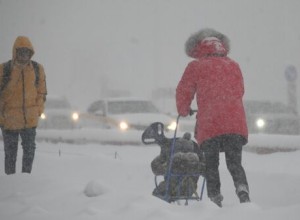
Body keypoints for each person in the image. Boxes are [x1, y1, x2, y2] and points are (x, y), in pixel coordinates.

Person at [176, 28, 250, 207]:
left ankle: (214, 199)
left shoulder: (196, 66)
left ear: (198, 48)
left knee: (211, 164)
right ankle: (242, 190)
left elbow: (184, 91)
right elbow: (240, 91)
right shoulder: (233, 65)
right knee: (234, 163)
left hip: (211, 124)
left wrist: (184, 110)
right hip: (235, 123)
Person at [0, 36, 47, 175]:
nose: (24, 55)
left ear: (30, 53)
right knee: (10, 155)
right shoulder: (4, 70)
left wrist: (38, 110)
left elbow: (42, 92)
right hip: (9, 120)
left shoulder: (37, 69)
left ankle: (26, 181)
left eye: (26, 52)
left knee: (29, 152)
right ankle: (11, 181)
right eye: (21, 52)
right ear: (15, 52)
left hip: (30, 121)